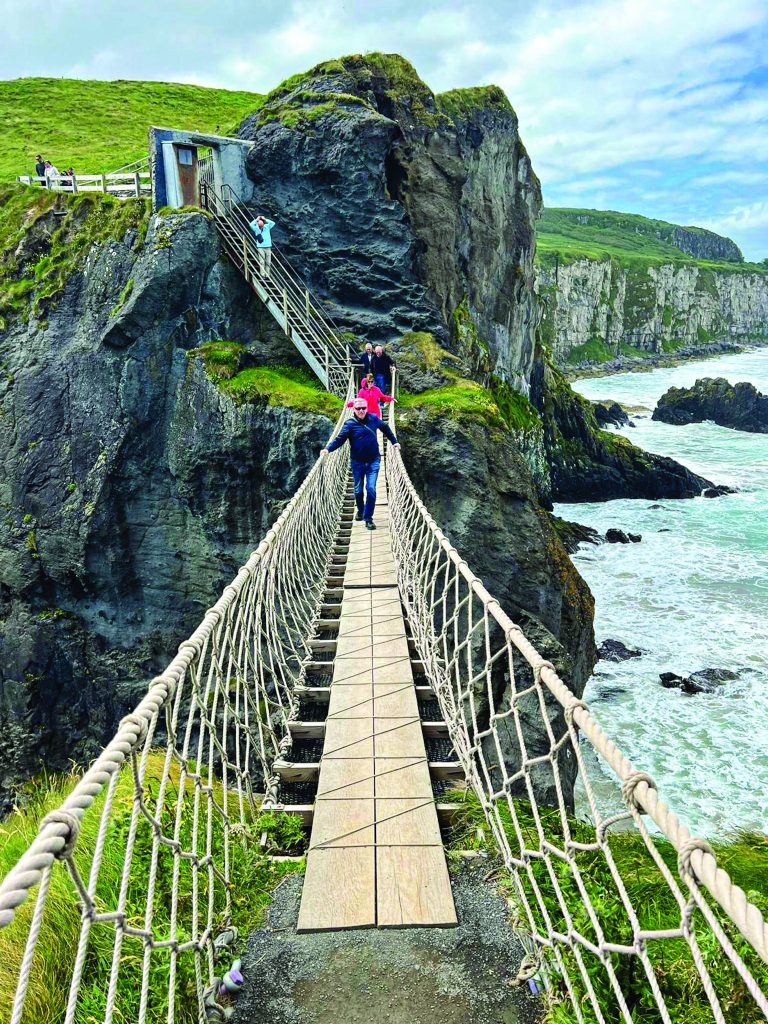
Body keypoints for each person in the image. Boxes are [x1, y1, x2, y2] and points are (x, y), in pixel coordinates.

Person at [321, 397, 400, 530]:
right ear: (354, 409)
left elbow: (385, 428)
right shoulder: (349, 424)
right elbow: (339, 440)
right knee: (358, 490)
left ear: (367, 408)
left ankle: (368, 518)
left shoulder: (374, 418)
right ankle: (360, 510)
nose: (361, 411)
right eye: (358, 408)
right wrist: (328, 449)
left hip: (373, 461)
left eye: (364, 408)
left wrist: (394, 442)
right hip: (357, 462)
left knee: (371, 489)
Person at [249, 214, 275, 278]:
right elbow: (251, 224)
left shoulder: (267, 227)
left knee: (268, 262)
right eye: (259, 225)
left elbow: (273, 223)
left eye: (261, 225)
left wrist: (265, 219)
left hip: (268, 246)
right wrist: (256, 219)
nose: (260, 227)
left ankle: (267, 274)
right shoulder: (256, 228)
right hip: (260, 247)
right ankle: (262, 274)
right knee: (262, 261)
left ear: (263, 224)